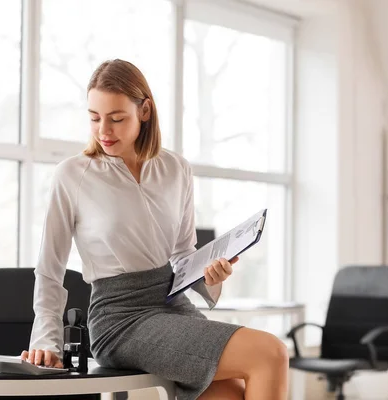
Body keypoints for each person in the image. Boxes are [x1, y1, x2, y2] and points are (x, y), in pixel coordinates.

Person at [21, 59, 288, 400]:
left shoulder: (176, 168)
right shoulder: (73, 174)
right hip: (119, 318)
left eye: (117, 119)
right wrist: (46, 341)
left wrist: (211, 277)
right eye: (94, 118)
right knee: (270, 353)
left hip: (173, 306)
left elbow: (182, 254)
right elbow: (49, 269)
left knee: (232, 394)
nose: (104, 130)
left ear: (144, 110)